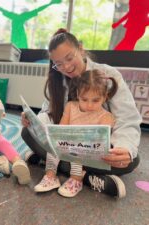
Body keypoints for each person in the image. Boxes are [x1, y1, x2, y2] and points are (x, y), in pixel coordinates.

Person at [22, 28, 141, 198]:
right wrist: (33, 121)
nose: (67, 67)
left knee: (131, 161)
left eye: (69, 58)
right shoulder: (56, 80)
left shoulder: (108, 75)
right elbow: (47, 113)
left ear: (81, 49)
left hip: (93, 148)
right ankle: (89, 178)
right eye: (59, 64)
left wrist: (125, 147)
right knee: (27, 132)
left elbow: (127, 118)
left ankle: (51, 164)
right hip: (66, 145)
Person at [34, 69, 118, 197]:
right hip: (68, 146)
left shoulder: (106, 117)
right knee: (52, 147)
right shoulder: (71, 106)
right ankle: (50, 177)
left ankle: (76, 179)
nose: (89, 105)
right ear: (78, 94)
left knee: (77, 150)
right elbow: (61, 129)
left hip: (87, 152)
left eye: (95, 100)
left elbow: (101, 142)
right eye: (84, 99)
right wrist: (56, 139)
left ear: (105, 97)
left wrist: (79, 143)